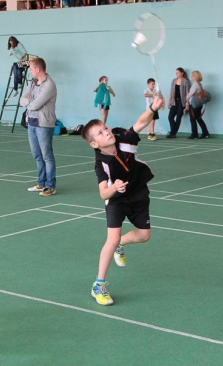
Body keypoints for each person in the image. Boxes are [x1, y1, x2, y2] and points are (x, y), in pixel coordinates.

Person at [80, 94, 165, 306]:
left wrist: (153, 108)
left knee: (144, 236)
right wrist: (114, 188)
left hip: (138, 193)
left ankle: (121, 244)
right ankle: (98, 285)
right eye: (101, 133)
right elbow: (103, 194)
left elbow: (141, 123)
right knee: (111, 238)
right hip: (116, 201)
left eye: (105, 128)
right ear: (94, 144)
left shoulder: (125, 140)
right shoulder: (101, 164)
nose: (107, 132)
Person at [20, 58, 58, 197]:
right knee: (37, 155)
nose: (30, 71)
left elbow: (36, 105)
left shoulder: (49, 85)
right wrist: (30, 101)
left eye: (31, 69)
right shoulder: (32, 83)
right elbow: (22, 99)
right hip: (31, 123)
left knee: (47, 155)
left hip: (44, 125)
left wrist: (29, 102)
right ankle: (41, 183)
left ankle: (50, 186)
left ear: (38, 69)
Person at [166, 67, 190, 138]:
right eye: (176, 73)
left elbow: (187, 93)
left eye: (178, 72)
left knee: (178, 117)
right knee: (170, 117)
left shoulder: (185, 81)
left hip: (181, 102)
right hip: (174, 101)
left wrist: (187, 104)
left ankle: (173, 133)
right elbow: (171, 92)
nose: (177, 74)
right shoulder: (174, 81)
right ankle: (173, 132)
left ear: (182, 73)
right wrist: (169, 101)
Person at [186, 70, 210, 139]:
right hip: (199, 104)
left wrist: (186, 97)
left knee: (192, 119)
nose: (191, 77)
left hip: (194, 104)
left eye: (192, 76)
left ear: (195, 77)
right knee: (199, 118)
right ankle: (205, 133)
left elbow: (191, 93)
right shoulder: (199, 84)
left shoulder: (195, 84)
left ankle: (194, 134)